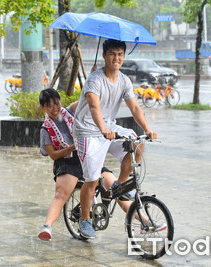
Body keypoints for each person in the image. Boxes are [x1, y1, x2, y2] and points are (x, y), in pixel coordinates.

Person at [73, 39, 158, 239]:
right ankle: (85, 220)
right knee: (92, 179)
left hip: (108, 127)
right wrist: (102, 129)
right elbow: (94, 107)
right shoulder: (94, 80)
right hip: (87, 131)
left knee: (136, 143)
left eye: (120, 54)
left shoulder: (124, 81)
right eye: (112, 54)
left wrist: (147, 128)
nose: (116, 58)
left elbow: (135, 107)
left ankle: (118, 186)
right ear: (104, 55)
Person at [37, 88, 131, 241]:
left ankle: (145, 222)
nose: (55, 108)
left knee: (117, 189)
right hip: (67, 162)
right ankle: (47, 227)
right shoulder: (45, 129)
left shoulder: (71, 111)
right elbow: (53, 155)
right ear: (43, 108)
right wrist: (72, 148)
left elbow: (88, 98)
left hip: (87, 156)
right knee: (61, 194)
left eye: (56, 103)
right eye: (49, 105)